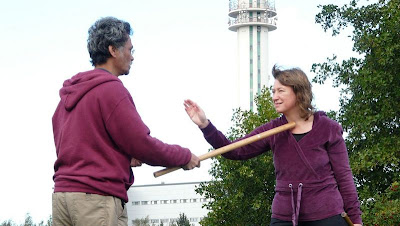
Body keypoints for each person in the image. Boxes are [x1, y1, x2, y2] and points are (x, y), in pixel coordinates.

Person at [52, 17, 200, 226]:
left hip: (63, 196)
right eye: (130, 50)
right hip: (95, 198)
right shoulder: (111, 90)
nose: (132, 57)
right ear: (113, 50)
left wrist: (121, 156)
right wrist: (183, 156)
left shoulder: (69, 95)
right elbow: (141, 143)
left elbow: (79, 146)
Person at [184, 65, 362, 226]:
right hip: (284, 217)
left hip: (327, 215)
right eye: (273, 91)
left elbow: (344, 177)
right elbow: (234, 151)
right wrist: (205, 125)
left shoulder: (328, 128)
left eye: (281, 91)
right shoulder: (273, 130)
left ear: (298, 92)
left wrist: (356, 220)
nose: (274, 97)